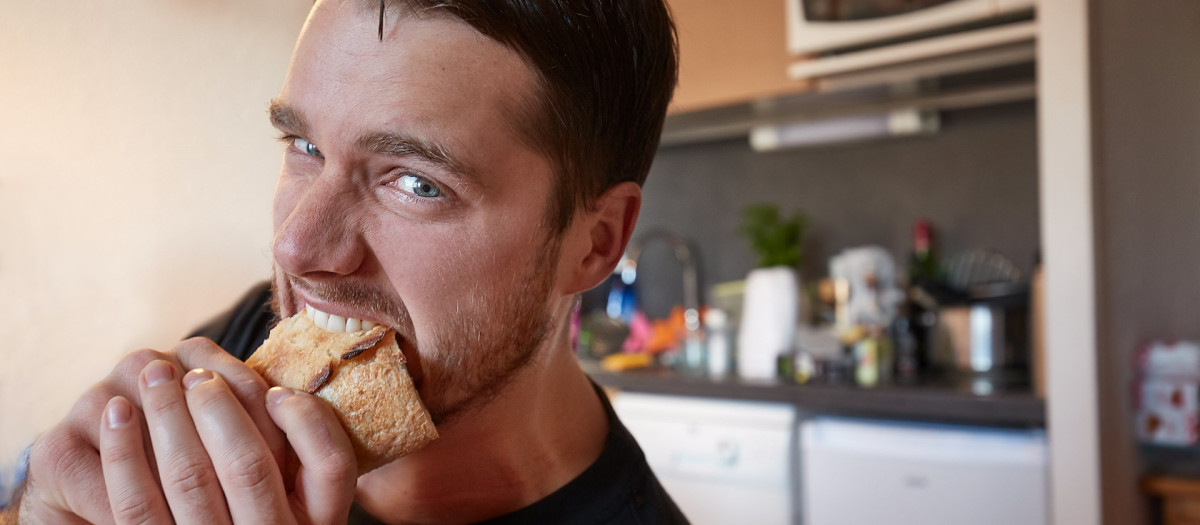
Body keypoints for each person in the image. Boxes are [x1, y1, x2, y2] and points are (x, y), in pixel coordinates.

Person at [3, 0, 684, 523]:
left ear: (594, 243)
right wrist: (41, 498)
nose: (295, 249)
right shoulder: (251, 341)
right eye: (304, 145)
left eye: (417, 182)